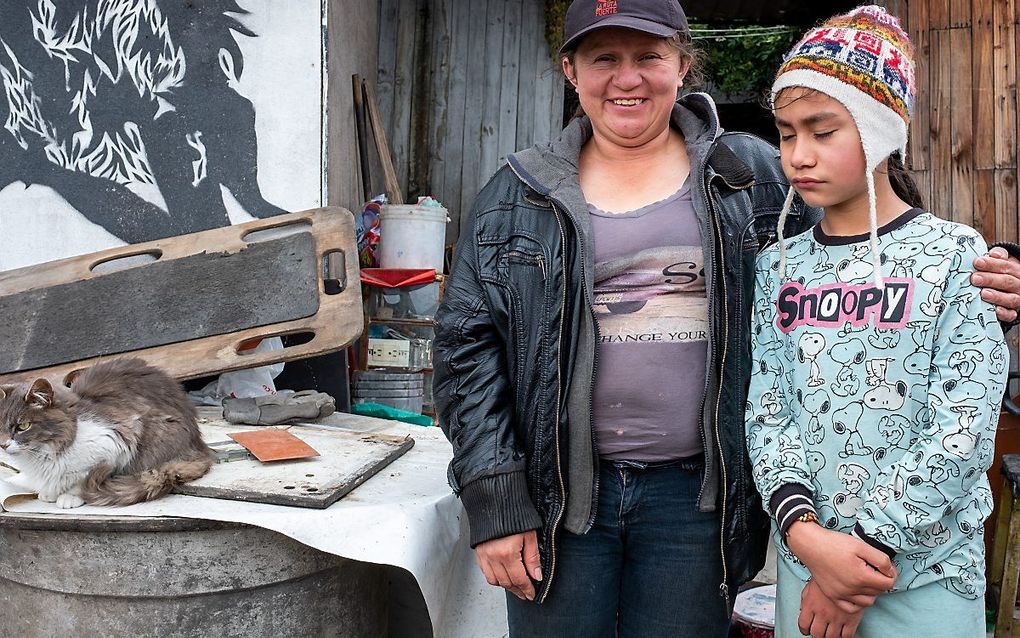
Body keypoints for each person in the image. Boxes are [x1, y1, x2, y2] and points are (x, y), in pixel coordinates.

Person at [433, 0, 1020, 635]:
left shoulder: (750, 178)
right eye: (604, 58)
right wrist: (497, 498)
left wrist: (993, 276)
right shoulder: (517, 194)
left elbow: (874, 247)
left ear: (682, 66)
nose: (627, 79)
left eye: (649, 57)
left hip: (695, 506)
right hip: (560, 503)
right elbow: (467, 352)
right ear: (570, 70)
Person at [745, 6, 1006, 637]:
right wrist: (808, 540)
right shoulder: (778, 267)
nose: (798, 155)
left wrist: (858, 563)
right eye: (785, 133)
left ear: (881, 130)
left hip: (929, 579)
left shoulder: (954, 257)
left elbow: (964, 429)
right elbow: (768, 410)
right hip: (807, 564)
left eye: (822, 130)